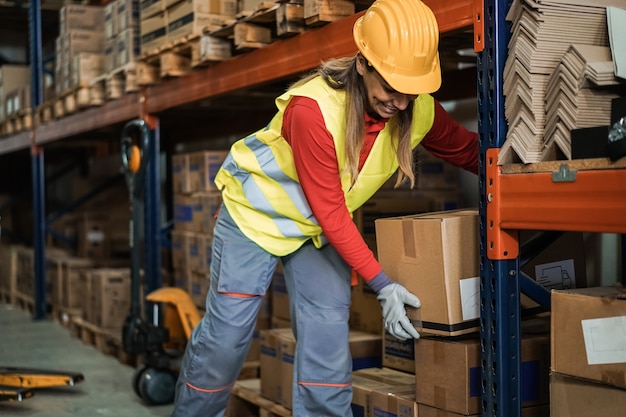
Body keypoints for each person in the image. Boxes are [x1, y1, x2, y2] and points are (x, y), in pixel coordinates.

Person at [170, 0, 478, 415]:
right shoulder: (312, 110)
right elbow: (331, 210)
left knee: (327, 338)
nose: (401, 103)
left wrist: (520, 167)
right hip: (255, 221)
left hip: (315, 231)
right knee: (226, 340)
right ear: (364, 63)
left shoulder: (416, 109)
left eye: (411, 91)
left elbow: (468, 150)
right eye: (391, 88)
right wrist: (383, 284)